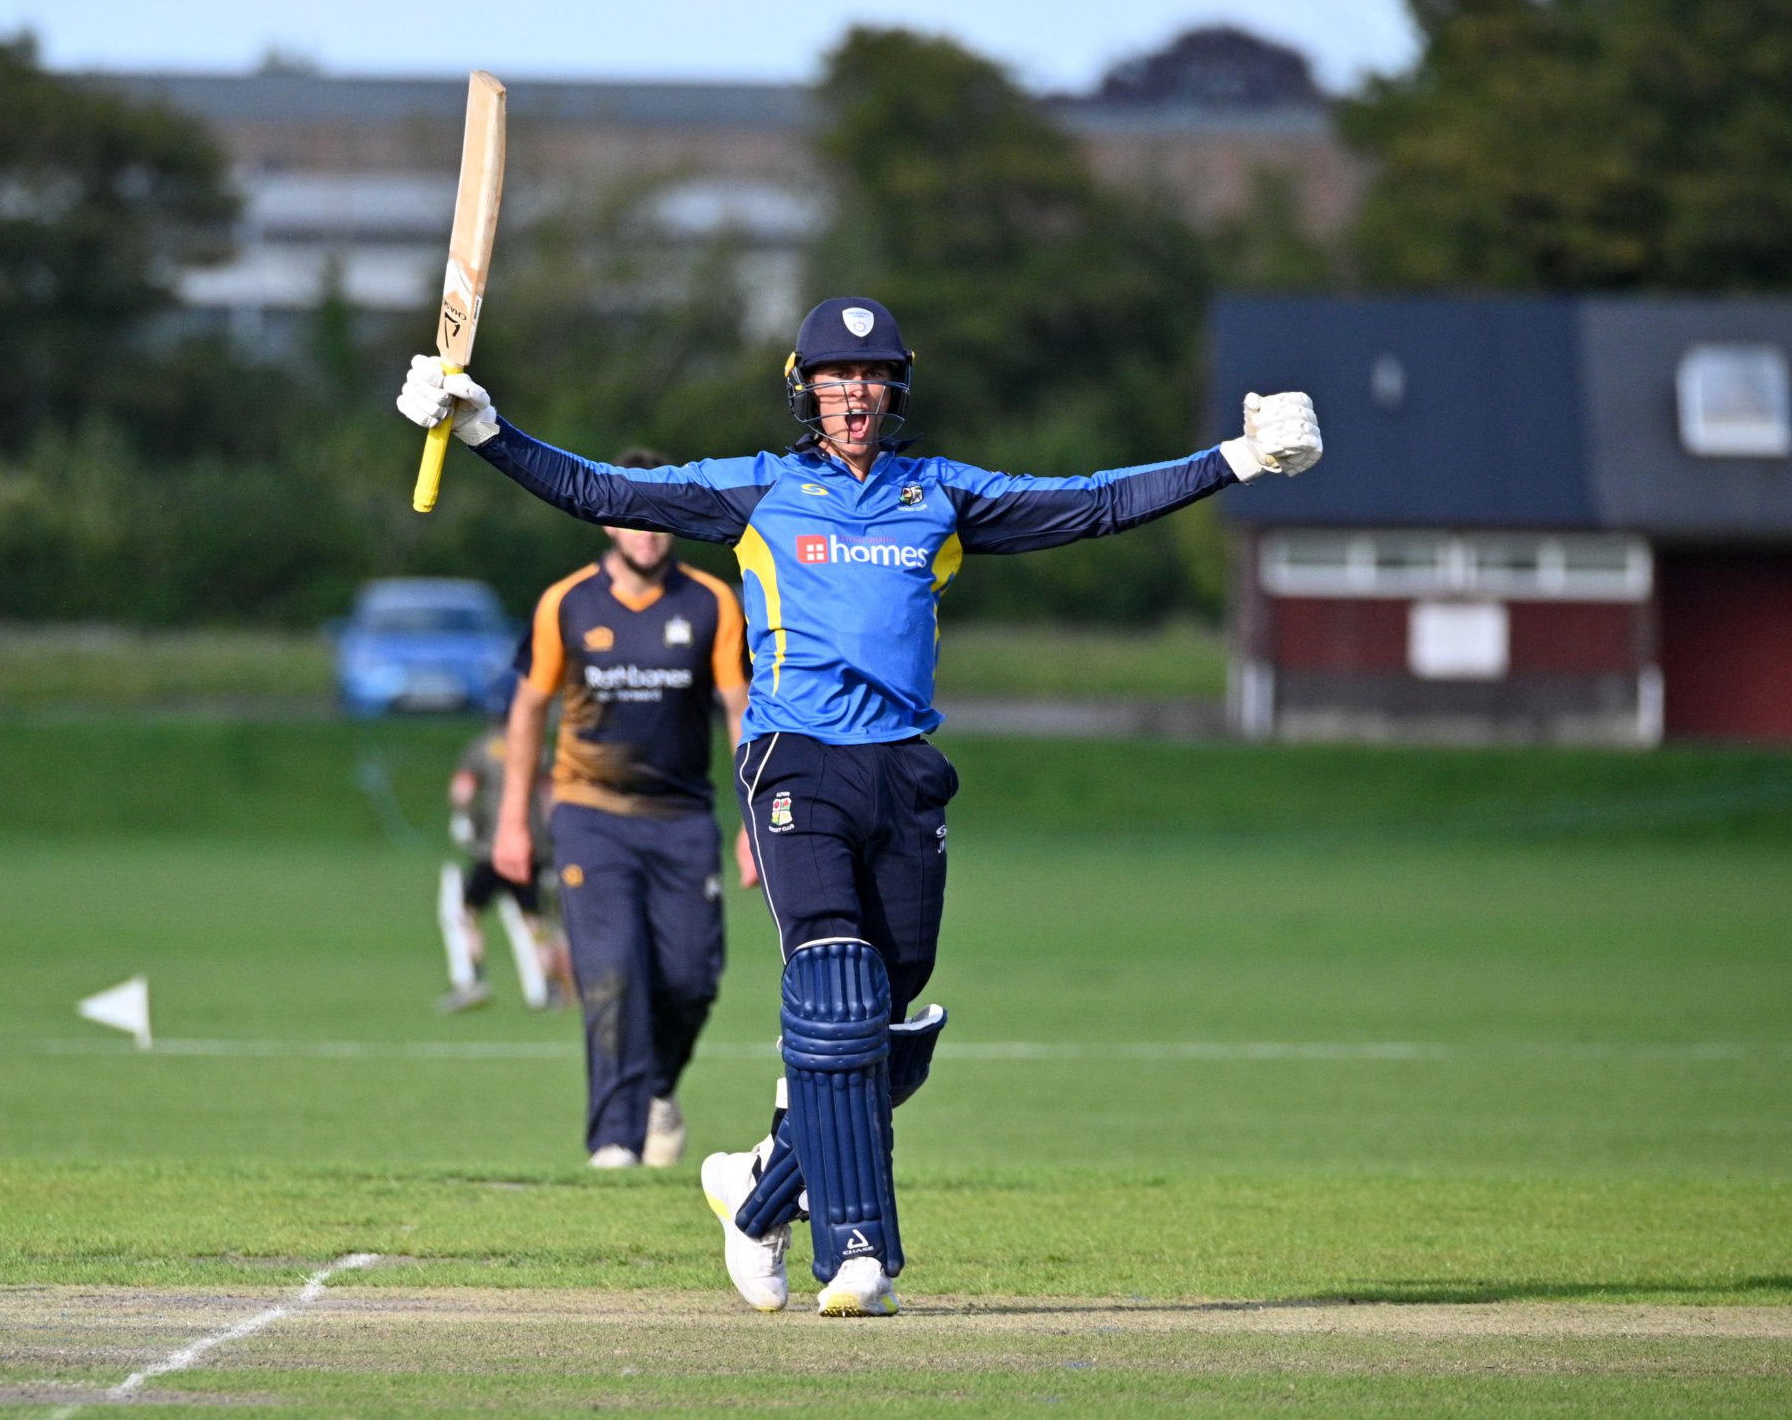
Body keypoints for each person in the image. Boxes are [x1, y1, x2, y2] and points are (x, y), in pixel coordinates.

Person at [397, 296, 1322, 1312]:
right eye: (835, 378)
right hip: (794, 758)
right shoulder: (759, 489)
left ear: (894, 390)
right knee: (831, 982)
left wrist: (1235, 459)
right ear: (806, 390)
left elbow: (1093, 502)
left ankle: (756, 1192)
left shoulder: (940, 494)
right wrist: (482, 429)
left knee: (884, 1026)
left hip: (902, 769)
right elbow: (599, 487)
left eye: (872, 377)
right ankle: (858, 1256)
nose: (853, 395)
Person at [490, 481, 761, 1170]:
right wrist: (512, 823)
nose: (647, 534)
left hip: (683, 819)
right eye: (633, 522)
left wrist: (756, 819)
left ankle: (658, 1090)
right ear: (608, 527)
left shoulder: (710, 602)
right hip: (589, 814)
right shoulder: (567, 602)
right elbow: (527, 713)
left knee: (691, 979)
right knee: (610, 973)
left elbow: (741, 714)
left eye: (659, 521)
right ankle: (614, 1142)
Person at [436, 727, 573, 1013]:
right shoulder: (539, 747)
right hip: (533, 848)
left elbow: (462, 791)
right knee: (535, 920)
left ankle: (474, 978)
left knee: (468, 912)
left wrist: (464, 819)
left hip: (494, 847)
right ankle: (551, 986)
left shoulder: (483, 746)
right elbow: (551, 797)